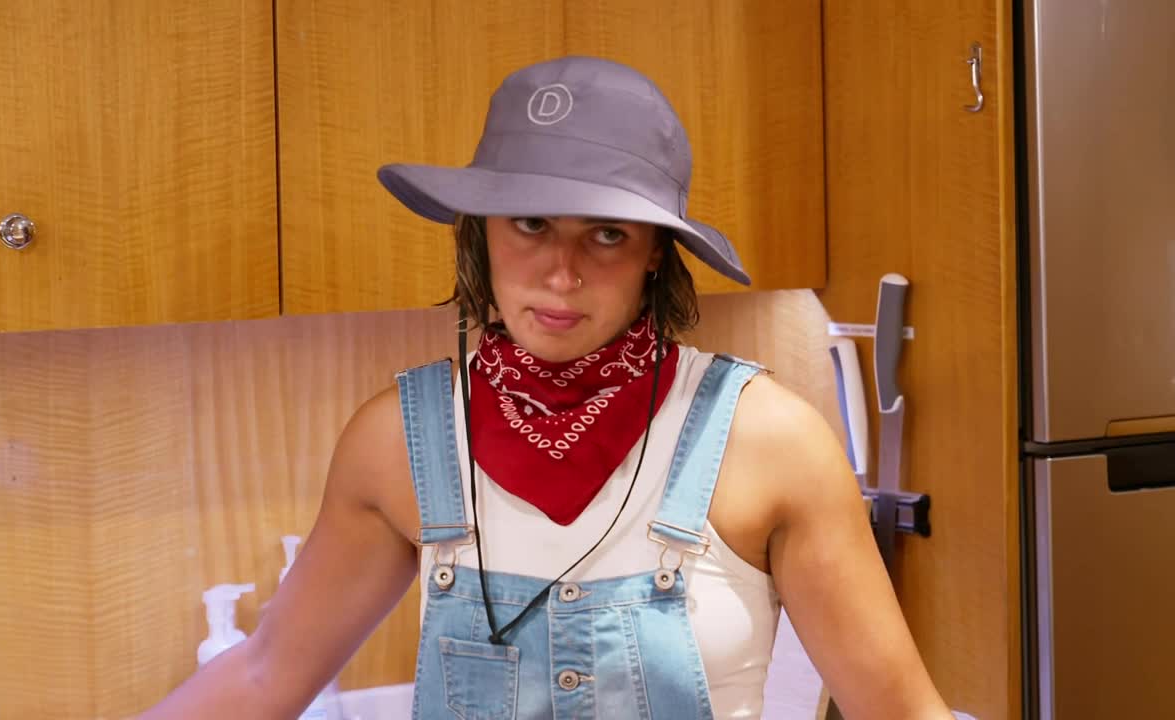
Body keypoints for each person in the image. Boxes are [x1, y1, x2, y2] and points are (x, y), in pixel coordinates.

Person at [143, 56, 951, 719]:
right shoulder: (399, 443)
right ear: (480, 232)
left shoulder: (768, 441)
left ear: (656, 252)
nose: (562, 273)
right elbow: (264, 675)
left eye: (607, 233)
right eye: (531, 223)